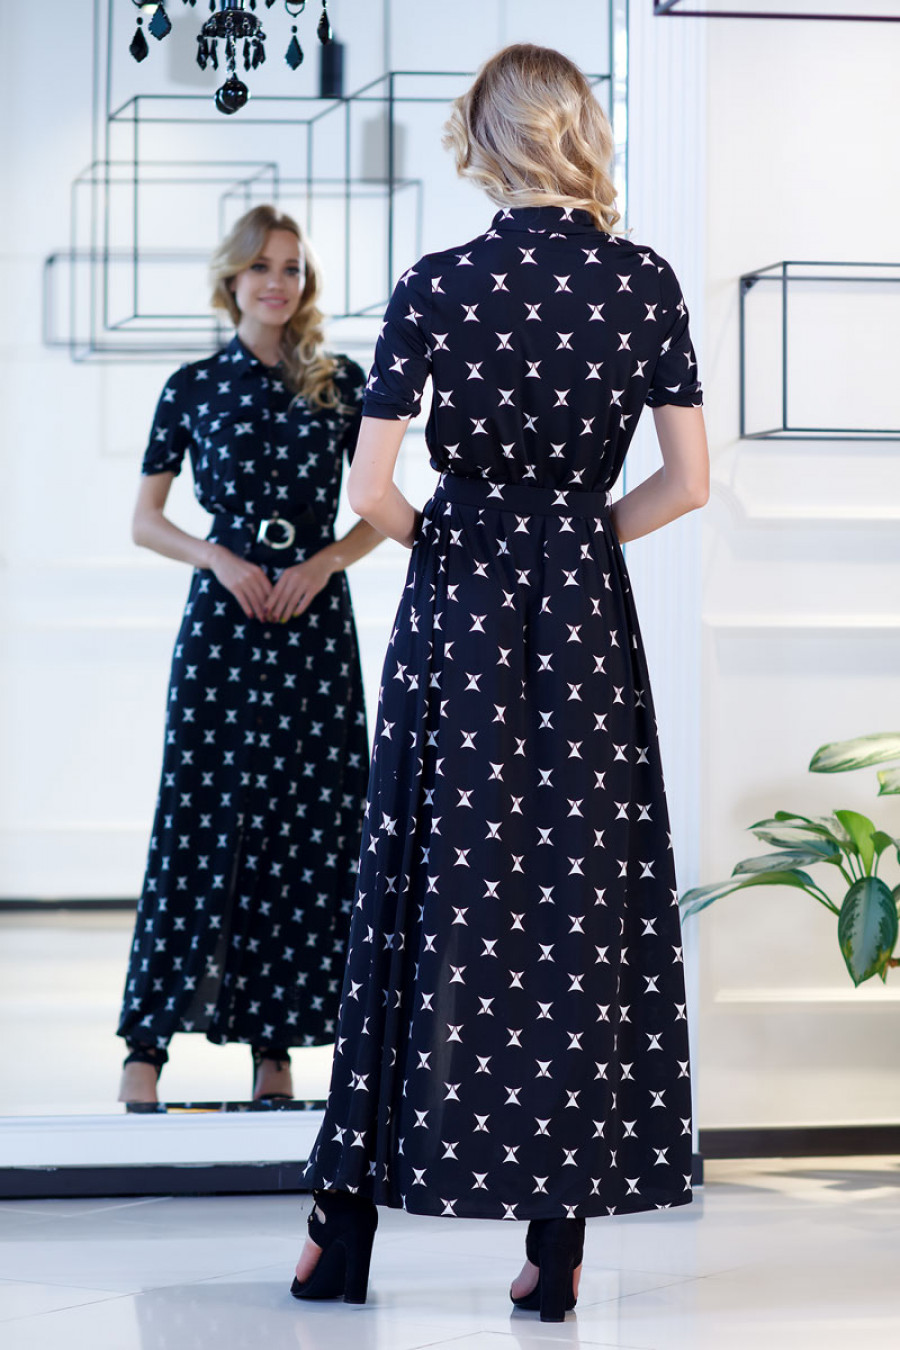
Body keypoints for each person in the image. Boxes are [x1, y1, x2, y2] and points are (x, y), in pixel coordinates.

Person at [291, 44, 709, 1321]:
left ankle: (342, 1231)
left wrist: (453, 544)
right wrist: (577, 541)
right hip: (583, 611)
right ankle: (556, 1248)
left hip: (457, 608)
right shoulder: (645, 282)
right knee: (573, 902)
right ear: (580, 131)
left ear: (483, 139)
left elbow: (371, 490)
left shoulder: (436, 283)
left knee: (421, 886)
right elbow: (690, 482)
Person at [116, 205, 381, 1106]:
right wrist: (218, 559)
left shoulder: (340, 383)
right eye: (262, 266)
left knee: (306, 828)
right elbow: (146, 520)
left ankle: (278, 1046)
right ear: (231, 279)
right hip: (223, 629)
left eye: (292, 268)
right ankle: (146, 1044)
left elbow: (377, 507)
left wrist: (323, 563)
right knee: (198, 822)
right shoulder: (193, 387)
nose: (278, 282)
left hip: (314, 624)